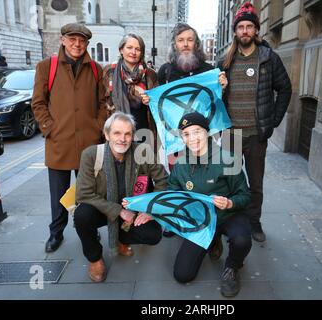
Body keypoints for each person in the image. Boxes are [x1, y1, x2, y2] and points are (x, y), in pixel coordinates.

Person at [218, 2, 292, 243]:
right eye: (241, 27)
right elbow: (213, 97)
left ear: (256, 30)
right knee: (230, 181)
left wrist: (273, 122)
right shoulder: (225, 62)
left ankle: (254, 221)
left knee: (255, 184)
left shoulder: (269, 58)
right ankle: (231, 222)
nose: (245, 31)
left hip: (256, 136)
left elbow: (285, 89)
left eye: (250, 26)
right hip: (231, 135)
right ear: (236, 31)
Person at [32, 23, 108, 253]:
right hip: (59, 142)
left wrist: (97, 127)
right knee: (59, 194)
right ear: (63, 40)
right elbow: (38, 102)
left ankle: (89, 228)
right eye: (72, 39)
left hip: (88, 143)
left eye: (82, 41)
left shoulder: (95, 69)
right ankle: (56, 233)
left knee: (87, 193)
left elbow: (103, 103)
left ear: (86, 44)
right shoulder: (47, 67)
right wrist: (50, 128)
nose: (77, 44)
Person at [152, 23, 228, 237]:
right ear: (175, 44)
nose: (185, 44)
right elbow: (161, 104)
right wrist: (151, 98)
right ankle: (176, 219)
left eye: (190, 39)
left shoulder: (209, 71)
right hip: (176, 138)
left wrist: (221, 85)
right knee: (176, 178)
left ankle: (204, 218)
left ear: (196, 43)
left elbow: (216, 103)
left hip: (203, 138)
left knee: (203, 177)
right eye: (180, 40)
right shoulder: (165, 71)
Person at [74, 112, 167, 282]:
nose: (122, 139)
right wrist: (119, 211)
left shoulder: (142, 151)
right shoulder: (91, 154)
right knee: (82, 216)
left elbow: (163, 181)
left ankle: (121, 238)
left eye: (127, 134)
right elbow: (83, 193)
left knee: (153, 235)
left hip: (134, 208)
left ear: (133, 136)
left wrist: (150, 209)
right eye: (117, 133)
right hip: (103, 208)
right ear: (107, 134)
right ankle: (95, 258)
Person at [167, 112, 251, 298]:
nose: (192, 138)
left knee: (242, 240)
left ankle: (232, 267)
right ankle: (212, 240)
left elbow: (245, 195)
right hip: (201, 221)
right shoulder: (180, 164)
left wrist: (230, 203)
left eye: (197, 132)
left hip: (228, 215)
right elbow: (172, 194)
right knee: (182, 274)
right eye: (186, 134)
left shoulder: (228, 159)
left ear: (207, 133)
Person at [103, 34, 158, 133]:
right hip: (117, 130)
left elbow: (158, 104)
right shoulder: (109, 71)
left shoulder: (151, 74)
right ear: (121, 50)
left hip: (144, 129)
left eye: (138, 49)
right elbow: (102, 100)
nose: (133, 52)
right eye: (129, 48)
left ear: (142, 53)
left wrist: (151, 100)